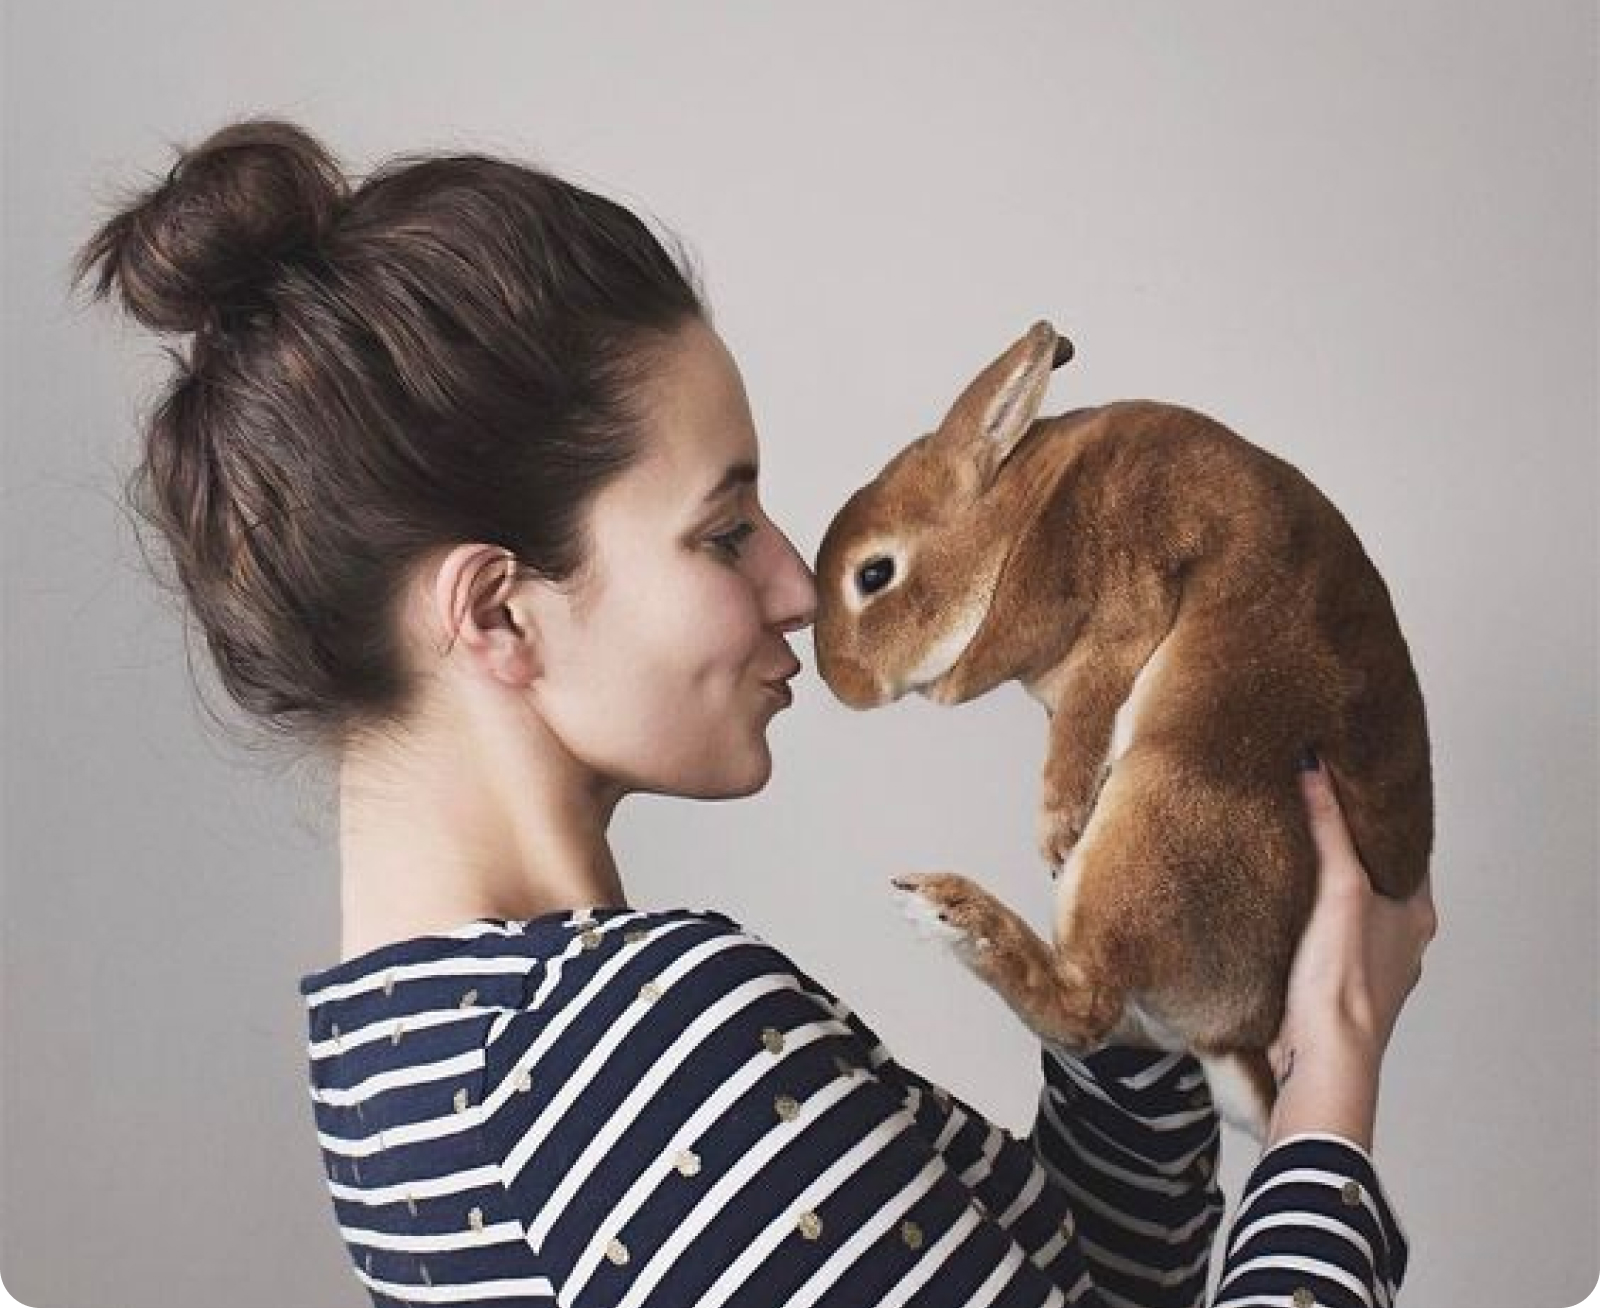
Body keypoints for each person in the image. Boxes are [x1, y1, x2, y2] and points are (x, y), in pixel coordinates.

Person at [74, 116, 1438, 1308]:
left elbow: (1067, 1285)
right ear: (497, 614)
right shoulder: (630, 1049)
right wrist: (1330, 1092)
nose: (794, 588)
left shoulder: (398, 1055)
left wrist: (1126, 1024)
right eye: (725, 533)